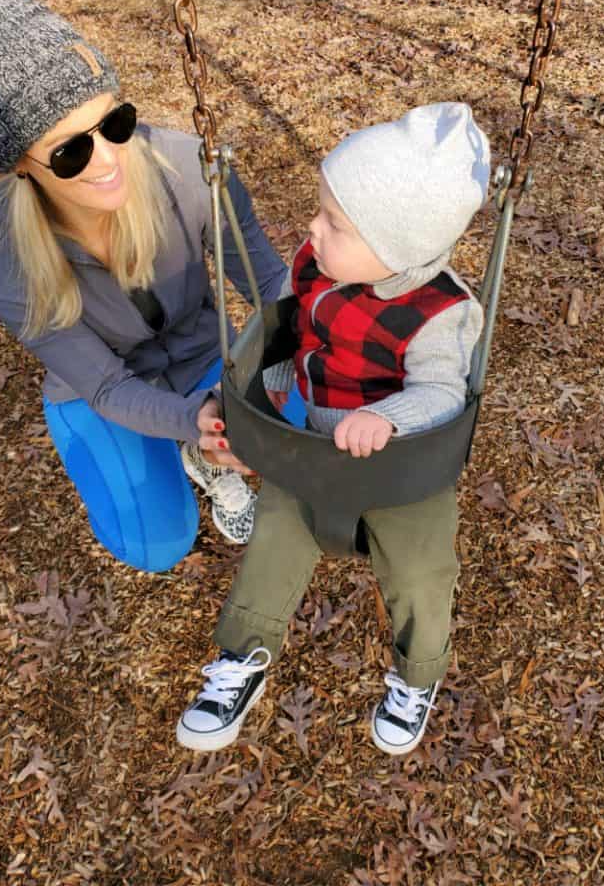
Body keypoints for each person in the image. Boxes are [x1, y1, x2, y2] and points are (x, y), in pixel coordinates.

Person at [0, 0, 303, 572]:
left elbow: (269, 281)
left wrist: (316, 345)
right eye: (70, 150)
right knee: (156, 547)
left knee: (310, 410)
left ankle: (189, 444)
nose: (108, 161)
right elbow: (103, 382)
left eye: (117, 123)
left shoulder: (188, 167)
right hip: (97, 385)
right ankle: (150, 450)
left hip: (202, 346)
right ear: (20, 165)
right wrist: (200, 422)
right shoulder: (2, 258)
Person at [177, 101, 490, 755]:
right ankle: (242, 658)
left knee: (423, 573)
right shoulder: (321, 268)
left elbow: (439, 392)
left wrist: (385, 418)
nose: (312, 228)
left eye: (335, 223)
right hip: (315, 443)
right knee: (274, 539)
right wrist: (263, 397)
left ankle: (417, 676)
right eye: (321, 210)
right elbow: (302, 340)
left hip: (404, 467)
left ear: (396, 249)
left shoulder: (442, 315)